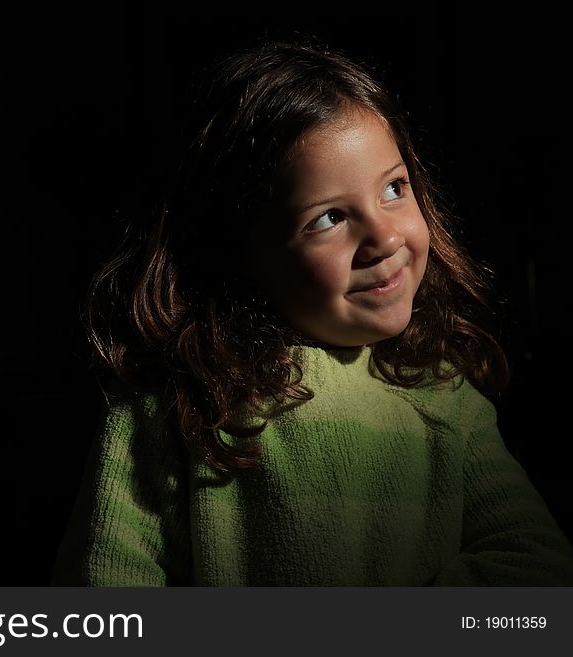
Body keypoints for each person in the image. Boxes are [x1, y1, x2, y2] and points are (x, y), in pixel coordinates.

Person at [51, 39, 573, 586]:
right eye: (327, 219)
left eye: (395, 188)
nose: (385, 235)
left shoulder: (446, 401)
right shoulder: (173, 409)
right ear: (235, 255)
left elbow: (535, 569)